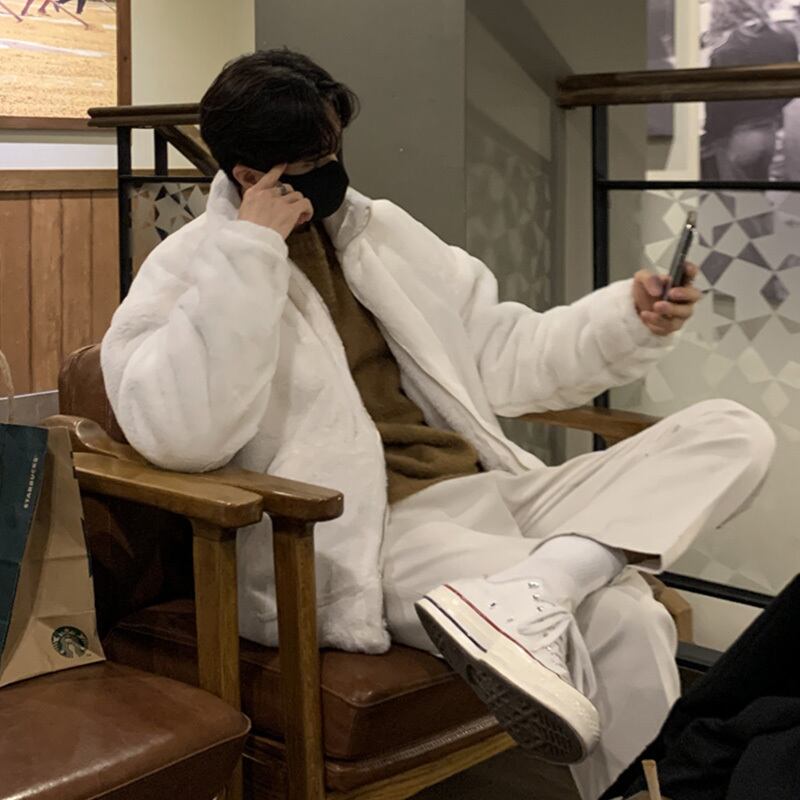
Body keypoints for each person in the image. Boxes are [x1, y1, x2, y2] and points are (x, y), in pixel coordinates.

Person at [100, 50, 775, 799]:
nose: (330, 173)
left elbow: (505, 352)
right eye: (308, 164)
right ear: (247, 173)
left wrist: (629, 318)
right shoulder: (190, 269)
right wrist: (249, 250)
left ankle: (540, 585)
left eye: (333, 152)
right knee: (626, 618)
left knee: (732, 430)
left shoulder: (382, 233)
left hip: (488, 490)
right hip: (366, 537)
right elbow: (183, 434)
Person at [701, 0, 799, 180]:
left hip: (734, 136)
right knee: (758, 191)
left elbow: (718, 105)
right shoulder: (784, 37)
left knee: (734, 195)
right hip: (769, 129)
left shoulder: (725, 50)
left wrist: (710, 135)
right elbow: (791, 87)